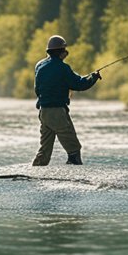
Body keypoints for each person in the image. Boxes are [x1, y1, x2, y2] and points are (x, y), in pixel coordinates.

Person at [32, 35, 100, 166]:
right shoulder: (63, 68)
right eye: (65, 50)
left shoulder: (39, 65)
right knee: (73, 147)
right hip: (57, 112)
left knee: (45, 148)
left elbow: (37, 89)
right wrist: (94, 77)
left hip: (44, 112)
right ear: (61, 52)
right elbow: (79, 84)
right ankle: (74, 171)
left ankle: (36, 167)